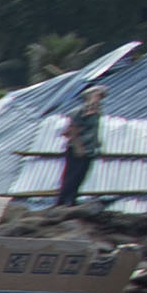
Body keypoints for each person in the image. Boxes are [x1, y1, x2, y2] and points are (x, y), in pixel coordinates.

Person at [57, 79, 108, 210]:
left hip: (89, 149)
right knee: (72, 175)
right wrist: (78, 146)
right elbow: (73, 129)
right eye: (97, 95)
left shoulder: (95, 113)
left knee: (80, 175)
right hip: (79, 148)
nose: (99, 99)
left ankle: (71, 199)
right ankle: (64, 202)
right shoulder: (81, 110)